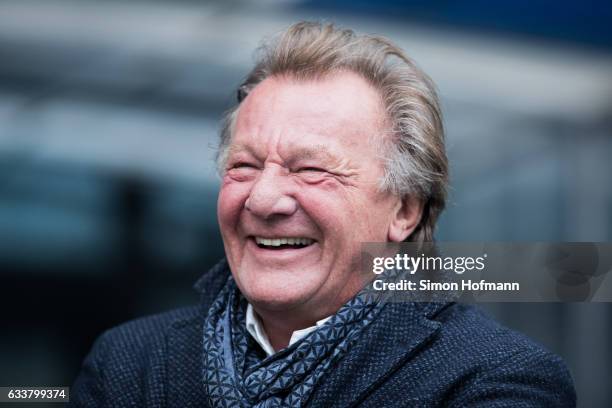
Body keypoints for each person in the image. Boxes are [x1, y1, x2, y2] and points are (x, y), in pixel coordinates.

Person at [71, 22, 576, 407]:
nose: (264, 200)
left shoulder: (494, 379)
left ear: (403, 210)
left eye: (311, 170)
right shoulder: (127, 363)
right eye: (244, 166)